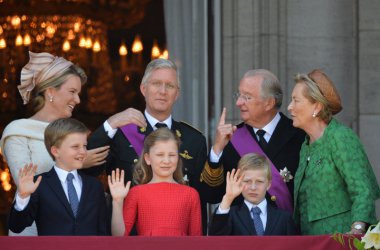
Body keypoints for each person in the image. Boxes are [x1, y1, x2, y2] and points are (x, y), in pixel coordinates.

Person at [84, 58, 208, 232]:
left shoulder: (194, 139)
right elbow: (87, 168)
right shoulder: (120, 132)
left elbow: (202, 197)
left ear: (177, 94)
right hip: (128, 238)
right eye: (156, 84)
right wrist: (110, 123)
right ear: (144, 89)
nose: (163, 91)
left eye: (170, 86)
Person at [0, 51, 109, 236]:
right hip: (31, 232)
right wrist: (79, 162)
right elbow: (26, 182)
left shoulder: (76, 133)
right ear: (50, 91)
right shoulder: (17, 130)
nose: (78, 100)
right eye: (72, 92)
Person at [288, 69, 380, 235]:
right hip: (311, 241)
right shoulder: (306, 145)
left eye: (296, 101)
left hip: (340, 240)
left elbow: (362, 190)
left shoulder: (340, 137)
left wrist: (356, 231)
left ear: (317, 106)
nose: (289, 107)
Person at [202, 69, 305, 212]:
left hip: (286, 232)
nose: (238, 102)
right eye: (239, 95)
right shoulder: (232, 138)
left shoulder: (299, 137)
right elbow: (211, 195)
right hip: (243, 232)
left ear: (269, 103)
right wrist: (217, 149)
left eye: (247, 97)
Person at [8, 118, 107, 235]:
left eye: (85, 146)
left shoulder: (95, 186)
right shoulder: (38, 184)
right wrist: (23, 197)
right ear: (55, 151)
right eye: (75, 146)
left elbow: (103, 231)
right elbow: (16, 226)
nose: (83, 152)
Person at [109, 128, 202, 236]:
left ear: (178, 158)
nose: (166, 161)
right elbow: (119, 236)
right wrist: (117, 201)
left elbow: (197, 239)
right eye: (160, 155)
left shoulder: (191, 194)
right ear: (147, 158)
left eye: (172, 155)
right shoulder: (137, 193)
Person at [209, 153, 297, 236]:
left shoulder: (284, 218)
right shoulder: (230, 216)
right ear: (239, 182)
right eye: (247, 181)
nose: (253, 187)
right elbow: (216, 241)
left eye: (259, 181)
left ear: (269, 184)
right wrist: (228, 198)